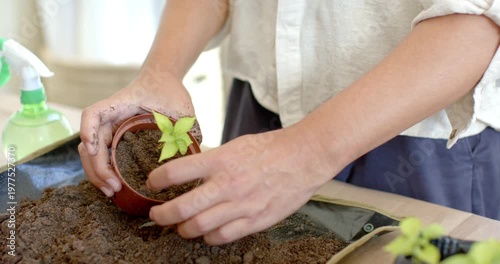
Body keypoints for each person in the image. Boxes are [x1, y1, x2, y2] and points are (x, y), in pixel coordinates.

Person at [79, 0, 500, 245]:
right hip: (260, 112)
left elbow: (476, 19)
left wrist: (308, 151)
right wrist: (160, 72)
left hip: (414, 136)